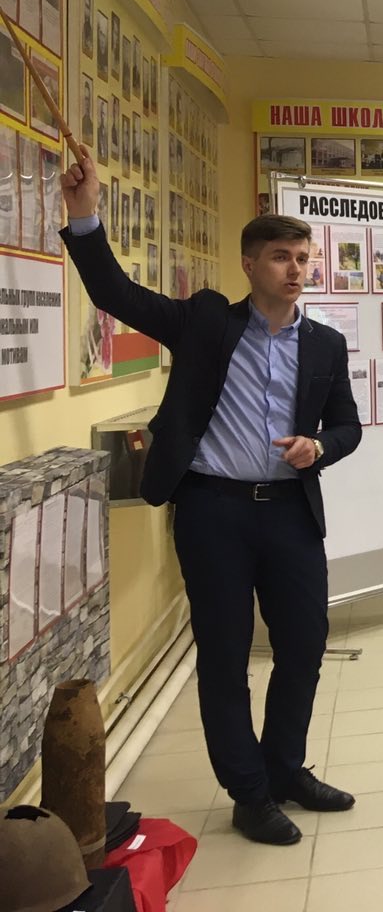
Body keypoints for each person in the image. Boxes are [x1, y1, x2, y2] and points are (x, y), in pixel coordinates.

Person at [59, 150, 362, 848]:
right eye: (281, 257)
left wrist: (320, 447)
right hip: (213, 512)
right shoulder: (205, 322)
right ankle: (249, 794)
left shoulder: (325, 344)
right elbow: (115, 292)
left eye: (303, 257)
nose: (295, 268)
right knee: (225, 657)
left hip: (290, 513)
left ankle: (285, 769)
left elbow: (347, 425)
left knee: (304, 646)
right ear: (250, 265)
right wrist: (85, 215)